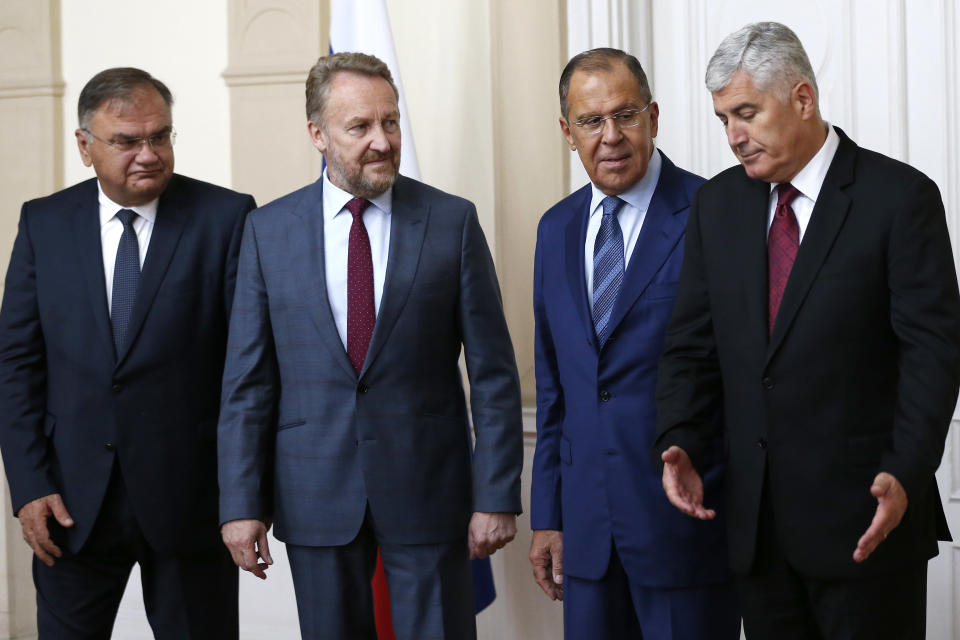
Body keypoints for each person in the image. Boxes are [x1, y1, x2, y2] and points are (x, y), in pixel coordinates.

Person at [655, 22, 960, 639]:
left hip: (869, 526)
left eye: (746, 113)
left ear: (801, 99)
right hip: (760, 539)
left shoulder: (900, 198)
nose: (734, 137)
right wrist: (683, 439)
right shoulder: (718, 206)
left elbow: (933, 355)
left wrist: (904, 473)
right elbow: (693, 347)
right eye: (723, 120)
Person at [217, 51, 523, 640]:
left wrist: (497, 493)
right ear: (318, 134)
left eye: (390, 121)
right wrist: (240, 503)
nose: (381, 141)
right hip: (313, 493)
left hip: (430, 492)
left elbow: (493, 372)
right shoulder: (266, 231)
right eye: (359, 127)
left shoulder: (450, 221)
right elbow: (247, 384)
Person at [0, 67, 256, 638]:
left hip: (192, 505)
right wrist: (28, 485)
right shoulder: (44, 223)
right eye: (126, 141)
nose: (148, 154)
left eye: (160, 136)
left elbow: (248, 371)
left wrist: (244, 495)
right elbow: (15, 365)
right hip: (70, 504)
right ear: (85, 146)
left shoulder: (227, 218)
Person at [529, 48, 739, 639]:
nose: (611, 136)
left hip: (685, 526)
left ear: (653, 117)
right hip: (587, 534)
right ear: (567, 132)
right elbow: (556, 390)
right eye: (592, 122)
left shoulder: (713, 212)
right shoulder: (555, 228)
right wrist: (548, 515)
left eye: (625, 115)